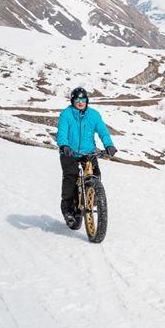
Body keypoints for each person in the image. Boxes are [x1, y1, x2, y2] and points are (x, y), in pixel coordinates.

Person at [56, 86, 117, 227]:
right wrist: (64, 145)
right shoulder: (66, 114)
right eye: (77, 99)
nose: (80, 102)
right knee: (71, 179)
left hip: (88, 153)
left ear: (87, 100)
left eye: (83, 99)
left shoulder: (94, 115)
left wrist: (109, 145)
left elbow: (103, 132)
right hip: (69, 153)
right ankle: (68, 211)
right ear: (72, 100)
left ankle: (93, 197)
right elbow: (62, 133)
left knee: (96, 175)